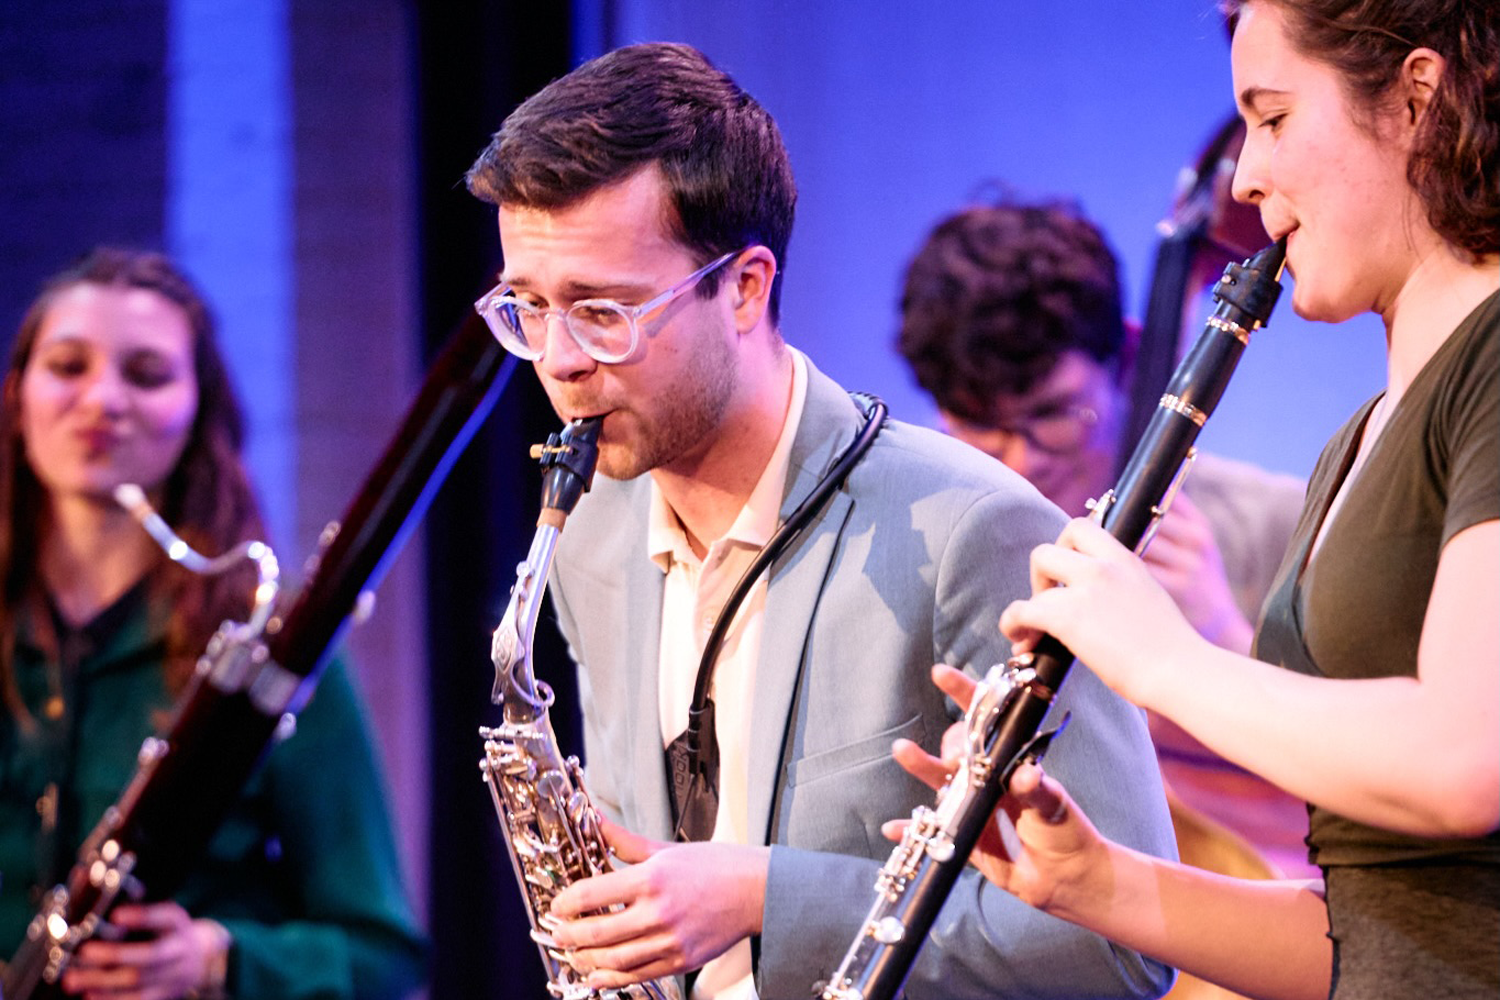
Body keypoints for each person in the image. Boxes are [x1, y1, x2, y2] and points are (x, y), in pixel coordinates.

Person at [463, 42, 1177, 1000]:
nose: (558, 360)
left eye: (603, 311)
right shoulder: (590, 534)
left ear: (746, 286)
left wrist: (769, 897)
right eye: (528, 307)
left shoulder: (977, 531)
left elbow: (1120, 949)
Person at [900, 1, 1498, 998]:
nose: (1245, 178)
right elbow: (1374, 930)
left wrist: (1168, 657)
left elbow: (1465, 760)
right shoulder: (1357, 441)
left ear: (1416, 101)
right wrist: (1092, 883)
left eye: (1273, 117)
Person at [0, 248, 426, 1000]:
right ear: (18, 396)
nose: (102, 399)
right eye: (68, 366)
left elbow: (386, 961)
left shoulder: (274, 649)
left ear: (199, 409)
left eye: (146, 375)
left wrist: (216, 959)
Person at [895, 199, 1314, 879]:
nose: (1022, 460)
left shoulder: (1279, 523)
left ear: (1127, 359)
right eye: (981, 428)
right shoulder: (925, 547)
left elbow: (1379, 793)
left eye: (1054, 414)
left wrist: (1220, 635)